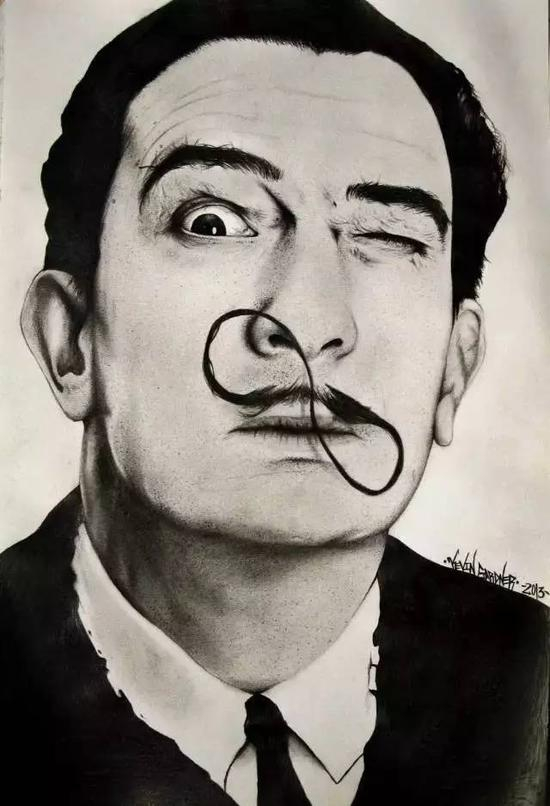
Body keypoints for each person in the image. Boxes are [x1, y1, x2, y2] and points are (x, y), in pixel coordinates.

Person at [1, 0, 548, 804]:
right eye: (213, 221)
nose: (312, 322)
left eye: (389, 236)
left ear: (452, 369)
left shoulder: (533, 688)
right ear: (70, 341)